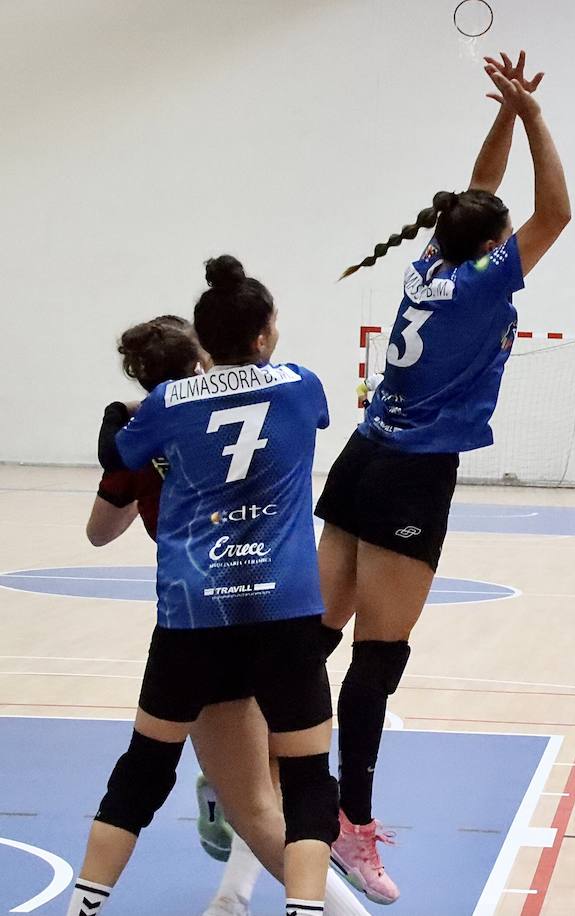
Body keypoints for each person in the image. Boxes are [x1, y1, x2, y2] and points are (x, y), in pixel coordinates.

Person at [313, 50, 570, 903]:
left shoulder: (431, 265)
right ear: (495, 248)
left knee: (312, 637)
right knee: (377, 662)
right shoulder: (482, 287)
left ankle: (243, 759)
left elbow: (479, 196)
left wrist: (503, 113)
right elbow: (555, 210)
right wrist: (532, 115)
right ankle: (349, 830)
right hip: (413, 479)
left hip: (362, 457)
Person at [73, 257, 337, 916]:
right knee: (306, 781)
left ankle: (82, 908)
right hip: (283, 612)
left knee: (143, 772)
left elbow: (122, 458)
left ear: (201, 337)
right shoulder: (301, 385)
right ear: (264, 333)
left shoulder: (165, 404)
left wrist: (120, 418)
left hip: (194, 615)